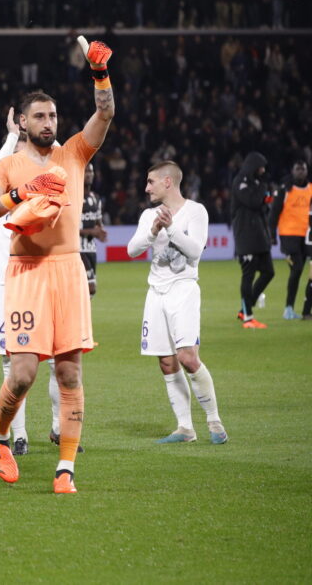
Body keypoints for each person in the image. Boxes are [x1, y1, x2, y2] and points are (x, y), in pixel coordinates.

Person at [0, 36, 115, 494]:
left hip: (69, 270)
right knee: (22, 374)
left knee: (70, 372)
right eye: (39, 115)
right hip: (26, 274)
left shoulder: (73, 152)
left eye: (52, 115)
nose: (48, 122)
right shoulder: (9, 164)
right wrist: (24, 192)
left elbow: (105, 114)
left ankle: (65, 469)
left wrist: (100, 75)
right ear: (21, 122)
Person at [0, 109, 66, 457]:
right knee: (12, 363)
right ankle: (19, 435)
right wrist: (10, 136)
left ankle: (60, 425)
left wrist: (37, 132)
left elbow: (61, 163)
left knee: (55, 358)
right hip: (7, 284)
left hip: (45, 278)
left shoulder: (42, 196)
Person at [127, 161, 228, 444]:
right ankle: (185, 428)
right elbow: (132, 249)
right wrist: (153, 231)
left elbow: (196, 251)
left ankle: (214, 420)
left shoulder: (196, 212)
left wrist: (170, 229)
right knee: (167, 363)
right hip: (155, 292)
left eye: (151, 182)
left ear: (167, 182)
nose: (146, 188)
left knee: (187, 357)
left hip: (183, 289)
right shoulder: (149, 215)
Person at [230, 152, 274, 328]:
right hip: (246, 235)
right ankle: (247, 316)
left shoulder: (257, 183)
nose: (263, 171)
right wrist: (264, 195)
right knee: (248, 275)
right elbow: (255, 202)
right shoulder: (240, 182)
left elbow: (265, 205)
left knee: (269, 272)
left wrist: (264, 196)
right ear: (253, 167)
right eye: (260, 167)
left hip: (260, 235)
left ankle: (245, 307)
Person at [269, 160, 310, 319]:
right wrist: (272, 235)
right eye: (298, 169)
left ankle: (293, 309)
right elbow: (274, 213)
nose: (300, 172)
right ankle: (288, 308)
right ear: (293, 171)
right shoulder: (285, 190)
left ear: (306, 172)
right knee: (298, 268)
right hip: (288, 236)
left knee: (298, 271)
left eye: (303, 169)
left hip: (305, 237)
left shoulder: (310, 190)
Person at [80, 162, 107, 296]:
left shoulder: (96, 199)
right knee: (90, 287)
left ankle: (81, 316)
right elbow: (69, 228)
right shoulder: (74, 197)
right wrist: (92, 232)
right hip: (78, 250)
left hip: (91, 249)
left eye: (90, 172)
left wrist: (101, 232)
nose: (89, 175)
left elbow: (98, 223)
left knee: (89, 291)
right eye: (86, 172)